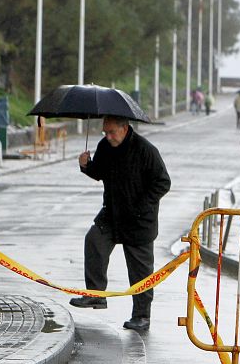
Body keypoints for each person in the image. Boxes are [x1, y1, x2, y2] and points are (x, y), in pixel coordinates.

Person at [70, 116, 171, 333]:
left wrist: (142, 206)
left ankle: (142, 316)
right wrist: (86, 166)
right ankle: (96, 295)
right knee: (94, 240)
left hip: (139, 220)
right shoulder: (105, 146)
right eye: (105, 132)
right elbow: (100, 172)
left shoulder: (146, 150)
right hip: (112, 214)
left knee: (140, 272)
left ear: (124, 128)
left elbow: (163, 182)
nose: (108, 136)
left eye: (111, 132)